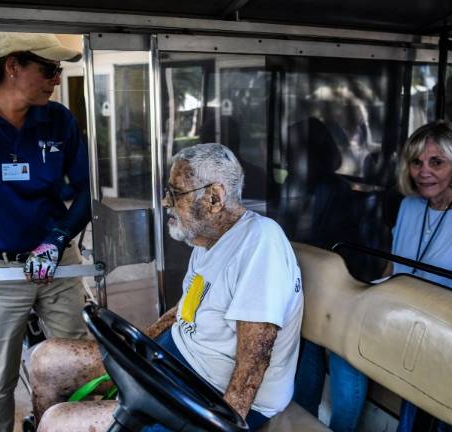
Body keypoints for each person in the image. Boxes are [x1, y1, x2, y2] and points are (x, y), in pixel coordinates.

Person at [28, 143, 304, 431]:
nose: (164, 201)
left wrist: (223, 425)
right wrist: (137, 344)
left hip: (210, 395)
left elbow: (254, 360)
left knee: (58, 422)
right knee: (45, 360)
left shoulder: (260, 243)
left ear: (215, 197)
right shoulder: (207, 239)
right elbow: (186, 308)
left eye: (175, 193)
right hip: (175, 362)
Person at [294, 121, 452, 431]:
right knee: (314, 329)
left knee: (342, 349)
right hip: (395, 311)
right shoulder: (410, 205)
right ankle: (302, 421)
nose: (423, 171)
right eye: (417, 162)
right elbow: (392, 268)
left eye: (437, 162)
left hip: (441, 326)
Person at [0, 32, 93, 432]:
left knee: (78, 362)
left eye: (59, 70)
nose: (55, 79)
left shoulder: (58, 118)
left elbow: (87, 190)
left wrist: (57, 239)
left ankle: (71, 425)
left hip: (57, 264)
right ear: (12, 66)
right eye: (48, 70)